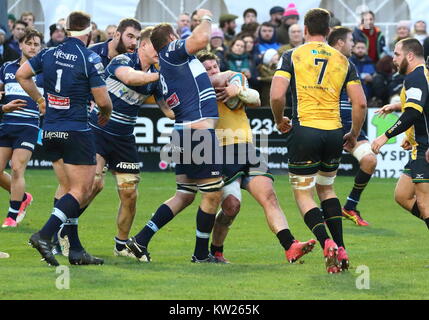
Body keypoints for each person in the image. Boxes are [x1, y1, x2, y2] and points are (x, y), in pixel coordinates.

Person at [271, 8, 367, 273]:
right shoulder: (344, 60)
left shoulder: (292, 55)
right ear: (328, 32)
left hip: (304, 131)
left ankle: (326, 242)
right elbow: (360, 103)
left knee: (304, 193)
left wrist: (280, 119)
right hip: (334, 132)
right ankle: (341, 246)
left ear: (304, 29)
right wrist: (355, 134)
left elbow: (277, 95)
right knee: (327, 189)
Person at [197, 50, 316, 263]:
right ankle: (216, 251)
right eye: (207, 69)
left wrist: (237, 90)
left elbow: (256, 98)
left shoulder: (234, 79)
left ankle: (290, 245)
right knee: (231, 206)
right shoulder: (199, 90)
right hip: (220, 151)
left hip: (247, 148)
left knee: (269, 196)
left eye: (214, 66)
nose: (213, 71)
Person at [125, 9, 224, 264]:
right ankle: (201, 255)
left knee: (185, 194)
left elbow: (171, 106)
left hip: (183, 131)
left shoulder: (166, 67)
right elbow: (202, 39)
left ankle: (141, 239)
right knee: (213, 193)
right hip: (197, 133)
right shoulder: (172, 52)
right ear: (171, 37)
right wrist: (206, 17)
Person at [17, 11, 112, 266]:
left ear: (67, 30)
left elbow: (21, 74)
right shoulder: (88, 57)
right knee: (83, 189)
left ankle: (76, 250)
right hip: (76, 131)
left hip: (49, 131)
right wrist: (106, 113)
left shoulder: (49, 53)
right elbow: (103, 100)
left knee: (69, 191)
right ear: (89, 33)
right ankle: (44, 235)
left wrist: (40, 99)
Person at [85, 27, 172, 258]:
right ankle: (64, 229)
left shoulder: (155, 76)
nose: (160, 52)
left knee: (130, 194)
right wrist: (165, 75)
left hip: (124, 140)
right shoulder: (123, 60)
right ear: (143, 45)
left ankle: (121, 245)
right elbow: (131, 78)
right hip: (98, 131)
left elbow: (169, 112)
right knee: (91, 185)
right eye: (157, 46)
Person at [372, 38, 429, 233]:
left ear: (410, 56)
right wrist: (397, 106)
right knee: (403, 196)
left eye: (397, 54)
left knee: (424, 205)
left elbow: (413, 112)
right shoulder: (421, 75)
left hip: (425, 147)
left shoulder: (416, 77)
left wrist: (385, 136)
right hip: (418, 144)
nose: (393, 59)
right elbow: (421, 105)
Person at [328, 26, 377, 226]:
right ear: (340, 42)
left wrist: (354, 132)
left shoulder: (349, 64)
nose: (353, 44)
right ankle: (322, 217)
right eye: (350, 40)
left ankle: (349, 206)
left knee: (369, 160)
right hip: (325, 124)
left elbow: (360, 101)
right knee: (323, 178)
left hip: (349, 124)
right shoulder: (319, 61)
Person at [0, 28, 44, 228]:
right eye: (29, 43)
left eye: (36, 44)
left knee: (17, 168)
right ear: (21, 45)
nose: (33, 47)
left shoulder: (44, 71)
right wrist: (4, 107)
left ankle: (11, 216)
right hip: (7, 124)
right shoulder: (7, 68)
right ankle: (23, 198)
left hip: (29, 126)